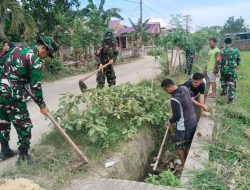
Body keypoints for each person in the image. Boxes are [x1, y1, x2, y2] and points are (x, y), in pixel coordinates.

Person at [0, 34, 58, 163]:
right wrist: (42, 105)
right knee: (24, 125)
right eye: (47, 54)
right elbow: (35, 87)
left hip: (0, 91)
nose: (45, 57)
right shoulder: (35, 59)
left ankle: (4, 151)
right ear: (44, 48)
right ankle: (23, 158)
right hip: (12, 94)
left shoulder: (15, 50)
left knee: (3, 121)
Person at [161, 79, 197, 170]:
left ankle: (184, 165)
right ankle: (189, 163)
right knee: (188, 144)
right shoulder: (184, 88)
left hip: (184, 125)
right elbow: (192, 95)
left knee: (179, 146)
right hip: (193, 120)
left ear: (169, 87)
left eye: (166, 90)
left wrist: (170, 121)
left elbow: (177, 116)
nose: (166, 92)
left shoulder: (174, 99)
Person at [219, 37, 240, 104]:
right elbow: (238, 60)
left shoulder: (222, 51)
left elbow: (219, 61)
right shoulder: (236, 50)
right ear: (231, 43)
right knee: (231, 83)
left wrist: (219, 68)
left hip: (224, 69)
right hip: (232, 70)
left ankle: (224, 91)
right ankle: (230, 98)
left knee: (223, 80)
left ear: (225, 43)